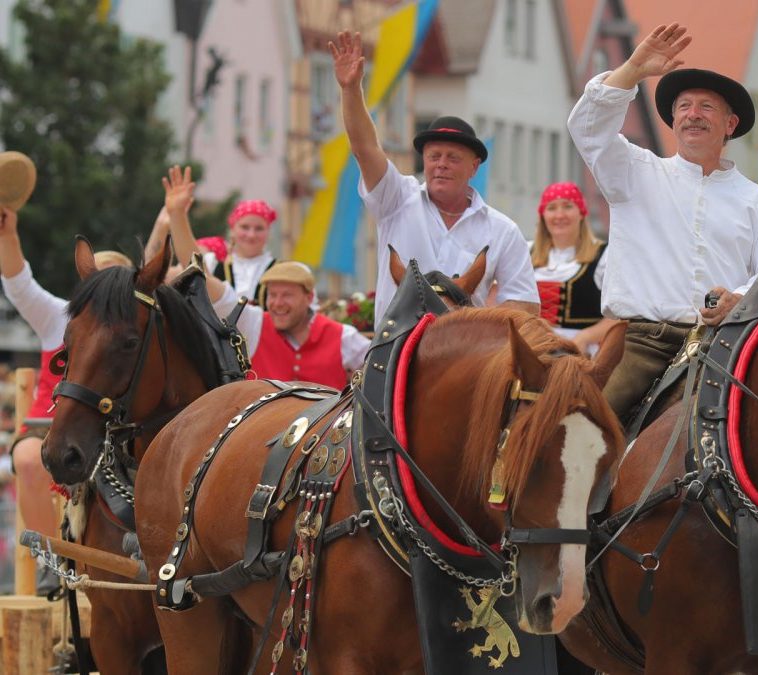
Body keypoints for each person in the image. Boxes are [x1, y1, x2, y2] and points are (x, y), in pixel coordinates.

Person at [567, 22, 758, 421]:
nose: (693, 115)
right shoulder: (634, 171)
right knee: (581, 432)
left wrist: (740, 300)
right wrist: (634, 69)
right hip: (642, 343)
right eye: (684, 107)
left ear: (730, 125)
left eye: (706, 107)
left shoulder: (757, 203)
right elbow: (586, 128)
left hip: (725, 346)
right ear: (673, 122)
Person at [330, 31, 539, 325]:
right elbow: (364, 148)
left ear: (474, 166)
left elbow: (525, 306)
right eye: (434, 156)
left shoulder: (503, 230)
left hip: (465, 353)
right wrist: (351, 90)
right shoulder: (397, 199)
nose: (441, 165)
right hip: (395, 350)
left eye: (453, 158)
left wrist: (473, 324)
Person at [162, 167, 368, 389]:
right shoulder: (254, 321)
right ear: (232, 230)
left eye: (287, 295)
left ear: (309, 298)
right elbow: (196, 269)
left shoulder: (340, 336)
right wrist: (177, 216)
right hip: (221, 359)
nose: (278, 302)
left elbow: (382, 364)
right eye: (273, 294)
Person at [0, 205, 132, 550]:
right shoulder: (58, 316)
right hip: (54, 423)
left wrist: (169, 222)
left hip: (119, 427)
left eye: (114, 277)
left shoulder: (140, 327)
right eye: (98, 276)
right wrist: (9, 236)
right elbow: (19, 285)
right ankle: (52, 556)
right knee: (29, 458)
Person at [531, 181, 617, 353]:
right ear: (543, 215)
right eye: (552, 208)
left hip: (583, 352)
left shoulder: (604, 256)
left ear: (581, 213)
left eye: (568, 206)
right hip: (534, 349)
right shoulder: (526, 253)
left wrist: (585, 337)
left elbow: (619, 316)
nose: (560, 215)